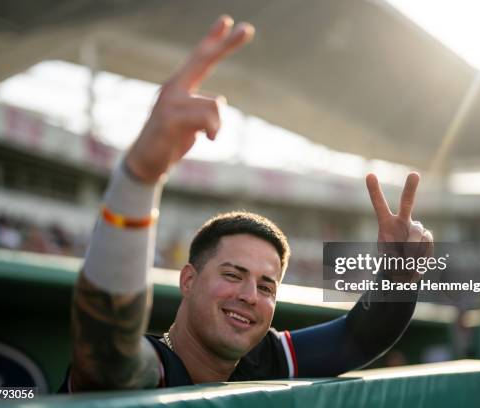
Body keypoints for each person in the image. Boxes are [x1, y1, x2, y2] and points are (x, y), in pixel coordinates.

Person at [60, 15, 433, 392]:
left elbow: (359, 338)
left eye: (267, 287)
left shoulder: (264, 359)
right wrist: (139, 179)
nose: (249, 296)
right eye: (232, 275)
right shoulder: (152, 367)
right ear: (188, 280)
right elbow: (106, 354)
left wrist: (398, 275)